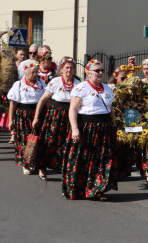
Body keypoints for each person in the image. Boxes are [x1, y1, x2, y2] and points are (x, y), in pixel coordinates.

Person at [63, 60, 117, 201]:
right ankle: (80, 189)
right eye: (97, 70)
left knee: (102, 160)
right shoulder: (81, 88)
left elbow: (110, 108)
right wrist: (75, 129)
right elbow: (73, 110)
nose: (100, 73)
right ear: (88, 73)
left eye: (102, 70)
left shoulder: (107, 88)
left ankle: (98, 189)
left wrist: (114, 125)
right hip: (87, 128)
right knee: (84, 159)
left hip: (104, 128)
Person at [32, 57, 80, 176]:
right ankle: (42, 167)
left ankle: (65, 168)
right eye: (66, 68)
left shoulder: (78, 84)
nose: (69, 70)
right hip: (55, 116)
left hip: (70, 116)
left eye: (71, 68)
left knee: (67, 143)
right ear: (61, 69)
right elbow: (42, 100)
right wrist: (36, 117)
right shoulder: (55, 81)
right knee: (49, 142)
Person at [7, 60, 47, 175]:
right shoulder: (18, 84)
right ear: (26, 72)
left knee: (37, 139)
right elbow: (13, 103)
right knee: (24, 139)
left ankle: (35, 162)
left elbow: (47, 100)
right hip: (23, 113)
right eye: (32, 72)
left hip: (38, 113)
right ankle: (26, 164)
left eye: (36, 72)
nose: (35, 74)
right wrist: (10, 120)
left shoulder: (42, 84)